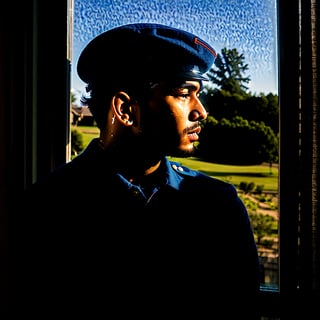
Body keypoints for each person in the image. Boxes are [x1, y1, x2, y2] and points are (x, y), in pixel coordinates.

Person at [22, 23, 260, 317]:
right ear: (125, 109)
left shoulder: (218, 205)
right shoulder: (47, 207)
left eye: (198, 94)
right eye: (184, 93)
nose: (201, 111)